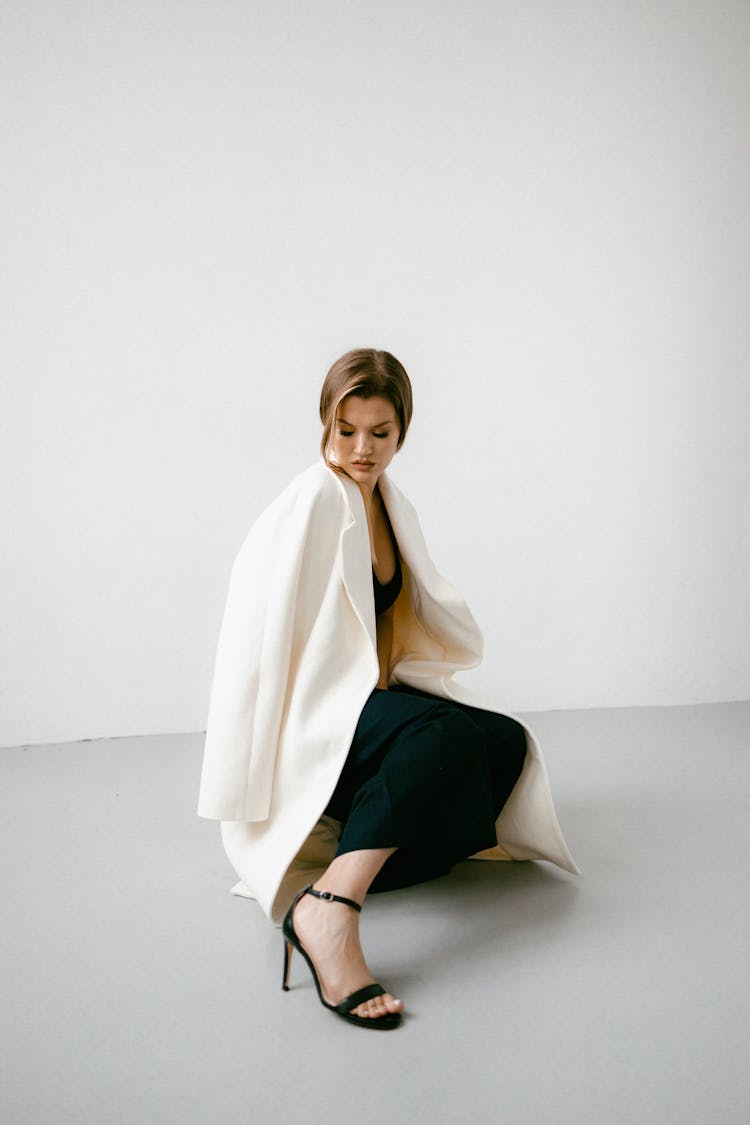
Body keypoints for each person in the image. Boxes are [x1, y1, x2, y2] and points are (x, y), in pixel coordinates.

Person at [198, 348, 579, 1031]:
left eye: (379, 432)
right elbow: (252, 648)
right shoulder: (314, 499)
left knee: (502, 743)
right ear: (324, 423)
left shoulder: (386, 501)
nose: (361, 448)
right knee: (444, 736)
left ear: (403, 431)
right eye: (346, 430)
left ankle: (362, 853)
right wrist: (246, 782)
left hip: (355, 707)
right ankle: (330, 907)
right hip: (310, 727)